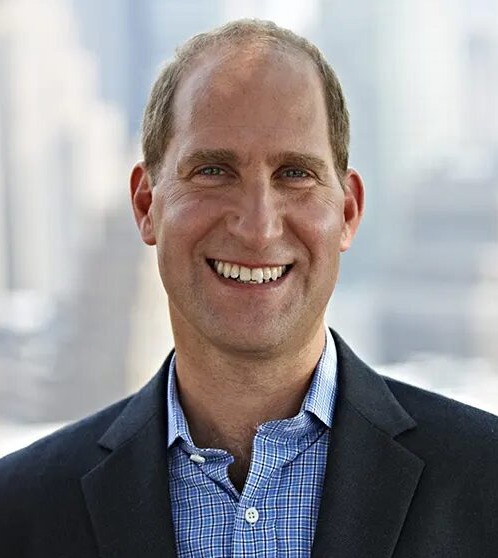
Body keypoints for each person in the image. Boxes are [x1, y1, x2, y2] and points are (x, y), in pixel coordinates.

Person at [1, 19, 497, 558]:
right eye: (213, 170)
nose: (258, 227)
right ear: (146, 205)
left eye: (295, 174)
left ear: (348, 212)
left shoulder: (485, 483)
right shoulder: (19, 511)